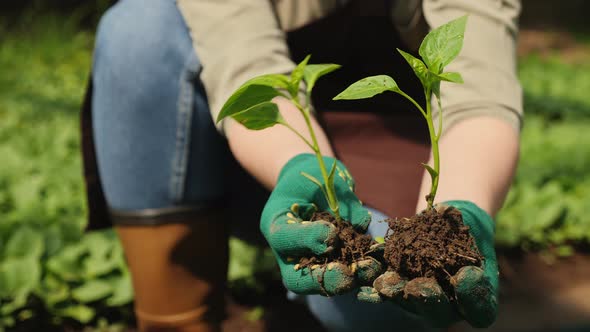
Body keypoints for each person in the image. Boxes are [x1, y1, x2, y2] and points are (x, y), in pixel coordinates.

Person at [81, 0, 522, 331]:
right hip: (265, 143)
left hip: (395, 140)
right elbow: (248, 67)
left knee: (381, 304)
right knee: (138, 28)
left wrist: (459, 211)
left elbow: (480, 88)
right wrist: (303, 168)